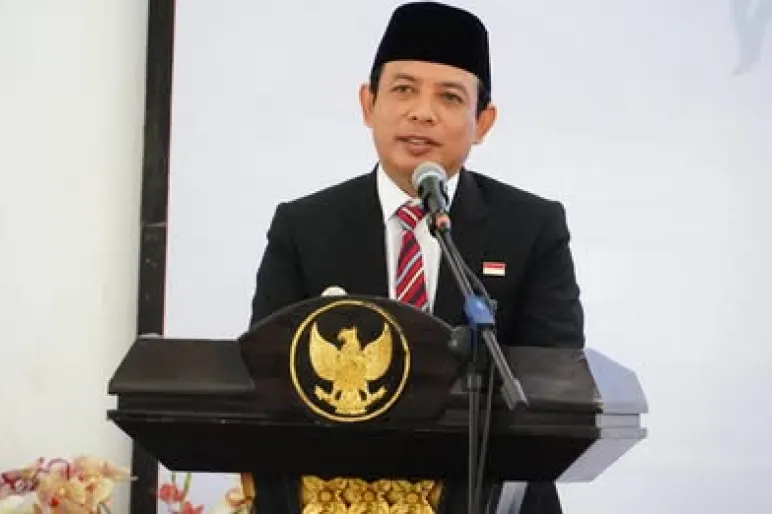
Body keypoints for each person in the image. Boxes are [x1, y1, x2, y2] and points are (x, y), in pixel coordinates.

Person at [248, 2, 584, 513]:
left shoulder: (532, 226)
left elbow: (555, 378)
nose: (422, 112)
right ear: (368, 103)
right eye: (403, 89)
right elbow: (266, 375)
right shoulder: (303, 225)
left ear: (483, 121)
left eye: (449, 97)